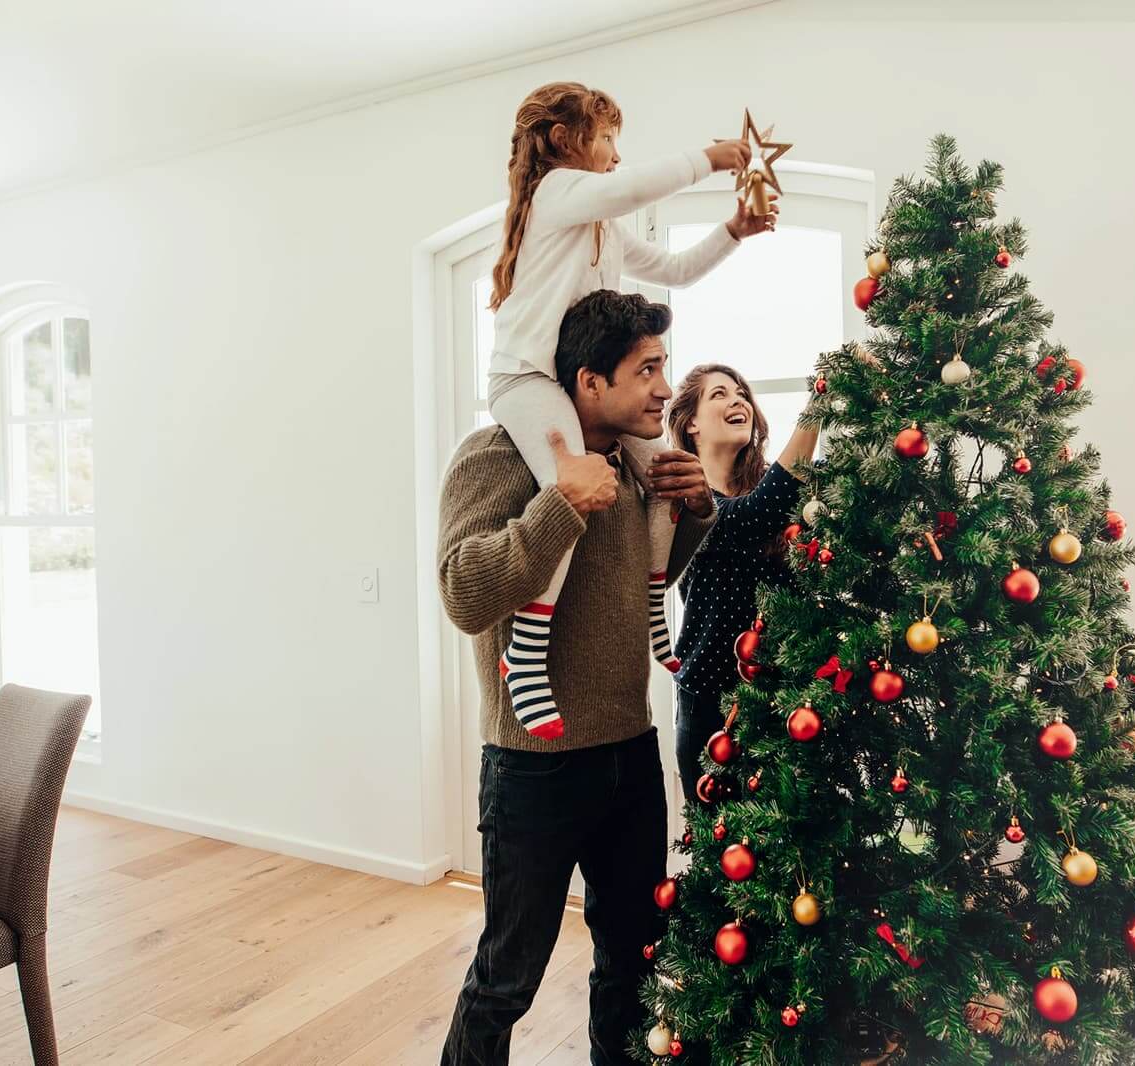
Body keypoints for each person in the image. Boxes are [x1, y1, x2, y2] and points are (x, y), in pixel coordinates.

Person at [439, 289, 715, 1066]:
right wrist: (559, 504)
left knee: (632, 960)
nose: (667, 387)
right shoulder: (495, 457)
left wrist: (693, 512)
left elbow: (633, 585)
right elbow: (464, 591)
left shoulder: (636, 466)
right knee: (508, 977)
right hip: (533, 766)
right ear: (588, 382)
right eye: (648, 369)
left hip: (630, 754)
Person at [487, 80, 777, 740]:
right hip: (528, 380)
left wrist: (732, 230)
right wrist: (710, 158)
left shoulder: (603, 228)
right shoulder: (556, 192)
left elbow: (674, 269)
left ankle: (654, 611)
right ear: (566, 142)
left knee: (667, 475)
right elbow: (627, 188)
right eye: (609, 139)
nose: (617, 155)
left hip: (574, 384)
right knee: (577, 485)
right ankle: (526, 650)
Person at [665, 363, 820, 801]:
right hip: (712, 703)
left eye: (742, 394)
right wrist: (819, 403)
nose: (738, 401)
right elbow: (752, 516)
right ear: (691, 422)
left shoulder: (783, 489)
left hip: (790, 695)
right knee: (722, 852)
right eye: (719, 394)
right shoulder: (685, 498)